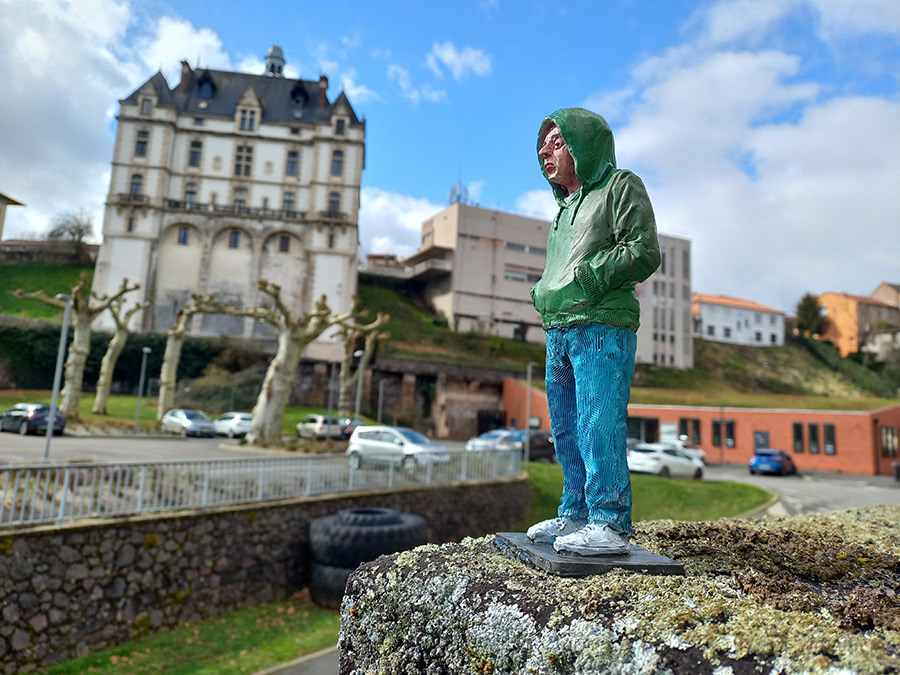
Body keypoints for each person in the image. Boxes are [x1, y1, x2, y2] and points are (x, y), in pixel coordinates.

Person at [526, 108, 660, 556]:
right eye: (543, 144)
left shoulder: (620, 186)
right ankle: (576, 511)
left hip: (603, 325)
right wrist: (544, 291)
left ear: (584, 144)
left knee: (598, 421)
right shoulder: (563, 211)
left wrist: (589, 277)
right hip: (559, 327)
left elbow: (644, 249)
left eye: (557, 141)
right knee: (565, 425)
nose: (545, 151)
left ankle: (609, 520)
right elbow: (560, 266)